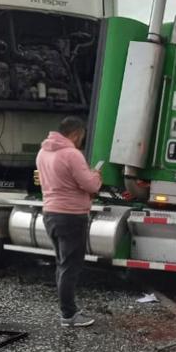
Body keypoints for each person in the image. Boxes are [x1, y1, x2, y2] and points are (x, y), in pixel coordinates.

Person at [36, 116, 102, 328]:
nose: (81, 140)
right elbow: (90, 185)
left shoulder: (43, 152)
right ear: (76, 133)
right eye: (81, 136)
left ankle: (67, 310)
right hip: (71, 216)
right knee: (70, 266)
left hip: (51, 214)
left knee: (62, 264)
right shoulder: (72, 154)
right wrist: (97, 175)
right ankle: (69, 314)